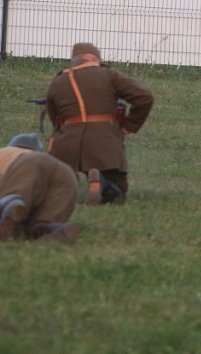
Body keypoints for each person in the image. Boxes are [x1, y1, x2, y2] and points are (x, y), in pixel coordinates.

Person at [45, 42, 155, 205]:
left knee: (61, 183)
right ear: (95, 58)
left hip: (67, 146)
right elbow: (145, 98)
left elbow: (56, 119)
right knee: (117, 192)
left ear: (74, 59)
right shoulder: (109, 75)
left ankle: (67, 188)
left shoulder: (58, 81)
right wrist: (128, 126)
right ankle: (101, 184)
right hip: (104, 144)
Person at [0, 133, 81, 243]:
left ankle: (10, 215)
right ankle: (58, 232)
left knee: (15, 200)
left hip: (29, 163)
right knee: (40, 225)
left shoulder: (6, 153)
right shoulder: (40, 156)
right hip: (68, 176)